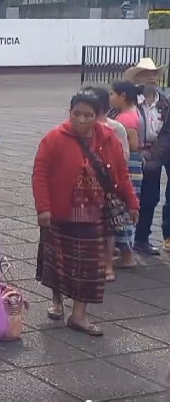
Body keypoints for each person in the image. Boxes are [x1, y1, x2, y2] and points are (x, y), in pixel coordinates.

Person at [33, 92, 139, 336]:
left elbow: (121, 175)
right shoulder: (54, 139)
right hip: (60, 212)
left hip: (94, 212)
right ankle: (57, 302)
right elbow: (40, 174)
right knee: (56, 261)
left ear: (98, 115)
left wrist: (132, 203)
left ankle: (78, 315)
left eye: (88, 115)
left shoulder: (109, 139)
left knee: (90, 268)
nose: (81, 120)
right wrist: (44, 208)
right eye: (76, 114)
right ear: (69, 113)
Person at [82, 86, 137, 279]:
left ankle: (108, 266)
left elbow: (123, 158)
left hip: (108, 186)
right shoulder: (79, 130)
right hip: (87, 186)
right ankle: (99, 263)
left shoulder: (115, 128)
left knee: (110, 227)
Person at [122, 59, 170, 255]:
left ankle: (147, 238)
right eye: (146, 74)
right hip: (138, 152)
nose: (151, 78)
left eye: (154, 74)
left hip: (160, 150)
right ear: (138, 78)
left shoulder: (164, 101)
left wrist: (155, 154)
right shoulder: (131, 102)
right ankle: (133, 239)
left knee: (155, 197)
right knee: (142, 197)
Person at [109, 81, 144, 203]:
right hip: (136, 161)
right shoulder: (135, 110)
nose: (110, 98)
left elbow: (133, 145)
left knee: (127, 198)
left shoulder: (125, 118)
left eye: (112, 94)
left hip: (130, 163)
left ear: (122, 96)